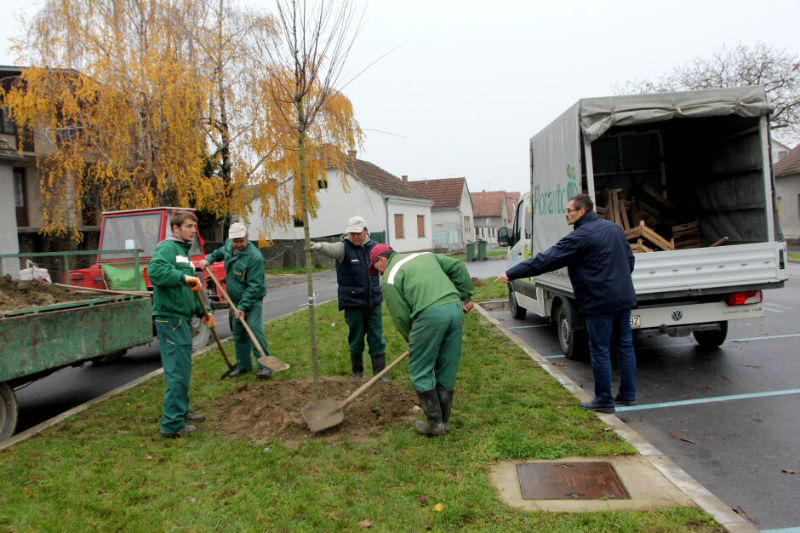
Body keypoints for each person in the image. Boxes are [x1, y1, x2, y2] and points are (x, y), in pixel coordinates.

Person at [496, 193, 637, 413]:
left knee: (599, 349)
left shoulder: (580, 237)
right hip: (623, 298)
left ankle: (604, 400)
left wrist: (512, 273)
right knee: (624, 345)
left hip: (599, 302)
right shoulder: (614, 229)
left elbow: (546, 259)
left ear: (582, 211)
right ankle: (628, 394)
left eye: (569, 211)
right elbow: (630, 260)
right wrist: (619, 282)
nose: (566, 215)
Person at [369, 244, 475, 436]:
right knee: (446, 365)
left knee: (419, 370)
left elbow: (400, 316)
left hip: (430, 315)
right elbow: (458, 267)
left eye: (376, 268)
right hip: (454, 309)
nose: (378, 273)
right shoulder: (424, 256)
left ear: (382, 260)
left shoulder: (389, 277)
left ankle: (434, 424)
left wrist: (413, 342)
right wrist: (465, 296)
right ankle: (444, 421)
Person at [148, 210, 211, 438]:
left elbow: (190, 289)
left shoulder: (183, 251)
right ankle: (172, 425)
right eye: (188, 227)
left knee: (183, 369)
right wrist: (183, 277)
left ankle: (182, 411)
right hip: (170, 319)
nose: (193, 231)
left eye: (194, 227)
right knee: (177, 371)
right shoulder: (167, 248)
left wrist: (204, 312)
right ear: (176, 229)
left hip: (182, 317)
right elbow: (155, 272)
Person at [310, 216, 387, 380]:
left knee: (377, 338)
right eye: (352, 233)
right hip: (353, 303)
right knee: (356, 338)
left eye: (358, 233)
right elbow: (330, 248)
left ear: (366, 231)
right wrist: (318, 246)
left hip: (374, 301)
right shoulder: (343, 248)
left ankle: (380, 375)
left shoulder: (374, 248)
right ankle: (357, 373)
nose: (355, 236)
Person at [199, 222, 272, 380]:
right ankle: (244, 366)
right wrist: (209, 259)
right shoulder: (229, 245)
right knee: (238, 333)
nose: (238, 244)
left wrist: (243, 307)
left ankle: (265, 366)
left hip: (251, 301)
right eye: (235, 241)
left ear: (247, 237)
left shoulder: (254, 258)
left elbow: (254, 286)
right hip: (235, 301)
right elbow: (220, 252)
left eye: (241, 240)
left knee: (253, 331)